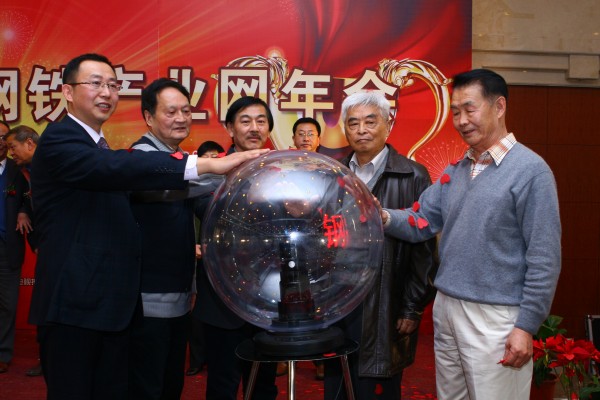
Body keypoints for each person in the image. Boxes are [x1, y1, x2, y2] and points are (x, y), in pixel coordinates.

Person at [27, 53, 267, 400]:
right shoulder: (60, 139)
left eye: (113, 85)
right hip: (73, 304)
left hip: (108, 307)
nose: (106, 92)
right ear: (67, 91)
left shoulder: (99, 146)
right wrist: (210, 165)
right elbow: (119, 168)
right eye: (95, 83)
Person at [381, 69, 561, 400]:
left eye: (470, 109)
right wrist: (382, 216)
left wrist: (526, 326)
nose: (462, 121)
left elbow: (544, 257)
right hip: (447, 306)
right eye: (455, 111)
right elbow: (421, 221)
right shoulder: (457, 170)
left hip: (495, 316)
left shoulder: (531, 171)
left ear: (499, 107)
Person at [323, 91, 438, 400]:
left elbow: (425, 250)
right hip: (338, 299)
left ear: (388, 124)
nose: (361, 130)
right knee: (336, 383)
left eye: (370, 122)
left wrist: (412, 307)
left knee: (375, 387)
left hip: (385, 299)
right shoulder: (333, 173)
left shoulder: (413, 175)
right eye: (353, 123)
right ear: (345, 129)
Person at [193, 96, 278, 400]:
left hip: (268, 297)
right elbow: (203, 210)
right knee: (222, 384)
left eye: (261, 121)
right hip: (222, 300)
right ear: (230, 128)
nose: (254, 128)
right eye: (245, 121)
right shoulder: (211, 169)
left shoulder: (282, 172)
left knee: (264, 385)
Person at [127, 77, 206, 399]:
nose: (181, 118)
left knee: (170, 384)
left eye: (186, 111)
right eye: (171, 111)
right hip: (148, 299)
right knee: (148, 386)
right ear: (148, 117)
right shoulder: (142, 156)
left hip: (177, 296)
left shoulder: (177, 158)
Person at [275, 116, 325, 381]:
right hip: (289, 245)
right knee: (289, 298)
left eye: (311, 133)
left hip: (319, 247)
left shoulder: (329, 172)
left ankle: (319, 358)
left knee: (317, 300)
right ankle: (286, 356)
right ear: (293, 139)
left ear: (318, 140)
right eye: (301, 133)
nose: (306, 138)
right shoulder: (284, 173)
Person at [4, 125, 43, 377]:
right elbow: (30, 201)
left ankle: (51, 358)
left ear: (29, 143)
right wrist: (23, 210)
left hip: (58, 247)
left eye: (12, 146)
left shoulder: (49, 166)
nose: (11, 152)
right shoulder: (29, 170)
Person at [185, 140, 225, 378]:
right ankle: (197, 359)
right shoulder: (193, 187)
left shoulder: (227, 183)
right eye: (206, 158)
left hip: (217, 261)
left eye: (215, 157)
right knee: (196, 315)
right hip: (195, 259)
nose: (212, 163)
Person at [0, 121, 31, 374]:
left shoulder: (17, 169)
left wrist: (23, 210)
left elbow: (30, 198)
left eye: (3, 137)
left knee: (7, 305)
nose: (0, 142)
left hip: (8, 246)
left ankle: (2, 354)